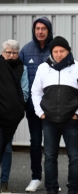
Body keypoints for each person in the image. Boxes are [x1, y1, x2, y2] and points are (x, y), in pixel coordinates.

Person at [31, 36, 78, 194]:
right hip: (49, 120)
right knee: (50, 156)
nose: (58, 54)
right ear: (51, 52)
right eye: (55, 51)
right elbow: (35, 92)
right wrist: (40, 113)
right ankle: (51, 188)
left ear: (68, 51)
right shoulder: (43, 68)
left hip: (71, 120)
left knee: (75, 156)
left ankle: (73, 189)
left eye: (62, 51)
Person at [19, 16, 53, 192]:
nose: (40, 32)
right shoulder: (25, 50)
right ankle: (35, 177)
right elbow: (19, 78)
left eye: (43, 29)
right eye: (37, 28)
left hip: (53, 109)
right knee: (35, 143)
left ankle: (51, 181)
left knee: (51, 145)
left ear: (49, 31)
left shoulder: (56, 49)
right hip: (33, 108)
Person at [0, 39, 28, 193]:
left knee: (7, 149)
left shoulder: (21, 69)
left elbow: (24, 92)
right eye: (8, 52)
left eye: (14, 53)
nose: (11, 55)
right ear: (3, 53)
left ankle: (4, 181)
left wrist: (13, 106)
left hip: (10, 116)